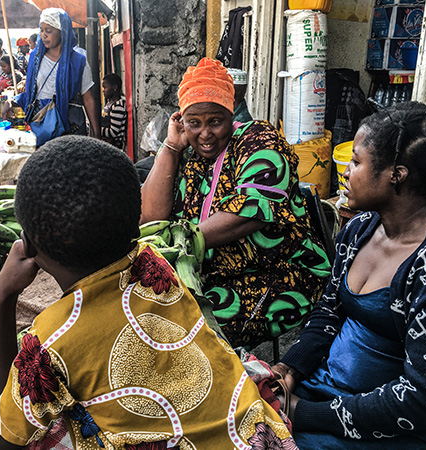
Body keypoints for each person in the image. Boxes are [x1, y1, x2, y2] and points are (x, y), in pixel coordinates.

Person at [0, 135, 298, 450]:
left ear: (30, 245)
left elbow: (0, 439)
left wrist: (2, 297)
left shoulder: (50, 341)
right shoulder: (153, 263)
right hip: (259, 435)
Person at [270, 101, 426, 449]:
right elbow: (330, 311)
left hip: (399, 428)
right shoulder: (360, 229)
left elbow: (425, 398)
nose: (346, 173)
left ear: (396, 174)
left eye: (356, 162)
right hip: (327, 393)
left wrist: (303, 413)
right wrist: (290, 368)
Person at [141, 57, 331, 350]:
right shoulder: (190, 155)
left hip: (281, 273)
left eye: (215, 121)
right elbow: (151, 216)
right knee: (144, 314)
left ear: (231, 115)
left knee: (190, 333)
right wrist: (172, 146)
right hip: (211, 276)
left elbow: (253, 210)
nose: (205, 134)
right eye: (194, 123)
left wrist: (183, 244)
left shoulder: (258, 140)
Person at [13, 8, 100, 140]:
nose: (43, 35)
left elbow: (88, 98)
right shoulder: (35, 59)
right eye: (41, 30)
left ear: (62, 32)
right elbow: (31, 91)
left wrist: (97, 133)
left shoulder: (78, 61)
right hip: (42, 120)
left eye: (48, 31)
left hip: (70, 124)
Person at [100, 72, 127, 150]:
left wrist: (96, 129)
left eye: (105, 87)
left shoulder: (118, 106)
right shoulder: (110, 104)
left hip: (115, 147)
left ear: (114, 88)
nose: (103, 90)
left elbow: (113, 132)